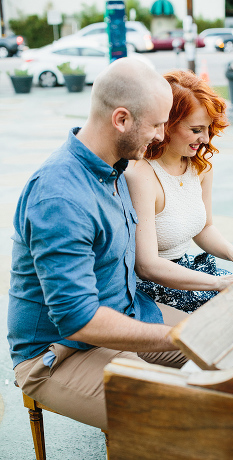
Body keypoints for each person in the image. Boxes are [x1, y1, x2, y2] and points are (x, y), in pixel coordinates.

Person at [8, 57, 189, 431]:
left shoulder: (114, 168)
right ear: (121, 119)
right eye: (156, 125)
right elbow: (78, 320)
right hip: (59, 352)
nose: (161, 136)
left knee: (232, 357)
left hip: (124, 314)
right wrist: (181, 337)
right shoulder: (59, 196)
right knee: (177, 417)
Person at [124, 70, 233, 313]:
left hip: (189, 271)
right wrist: (218, 283)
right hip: (152, 287)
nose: (206, 138)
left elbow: (204, 227)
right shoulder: (140, 174)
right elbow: (146, 266)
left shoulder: (198, 165)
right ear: (166, 124)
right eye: (196, 129)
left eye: (209, 128)